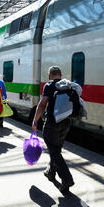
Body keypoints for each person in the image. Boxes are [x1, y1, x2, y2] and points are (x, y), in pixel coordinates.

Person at [31, 65, 75, 194]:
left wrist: (35, 121)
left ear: (50, 75)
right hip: (66, 123)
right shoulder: (68, 85)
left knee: (55, 152)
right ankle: (51, 172)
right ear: (60, 75)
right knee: (55, 149)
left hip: (52, 123)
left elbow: (42, 104)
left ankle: (67, 179)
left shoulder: (49, 85)